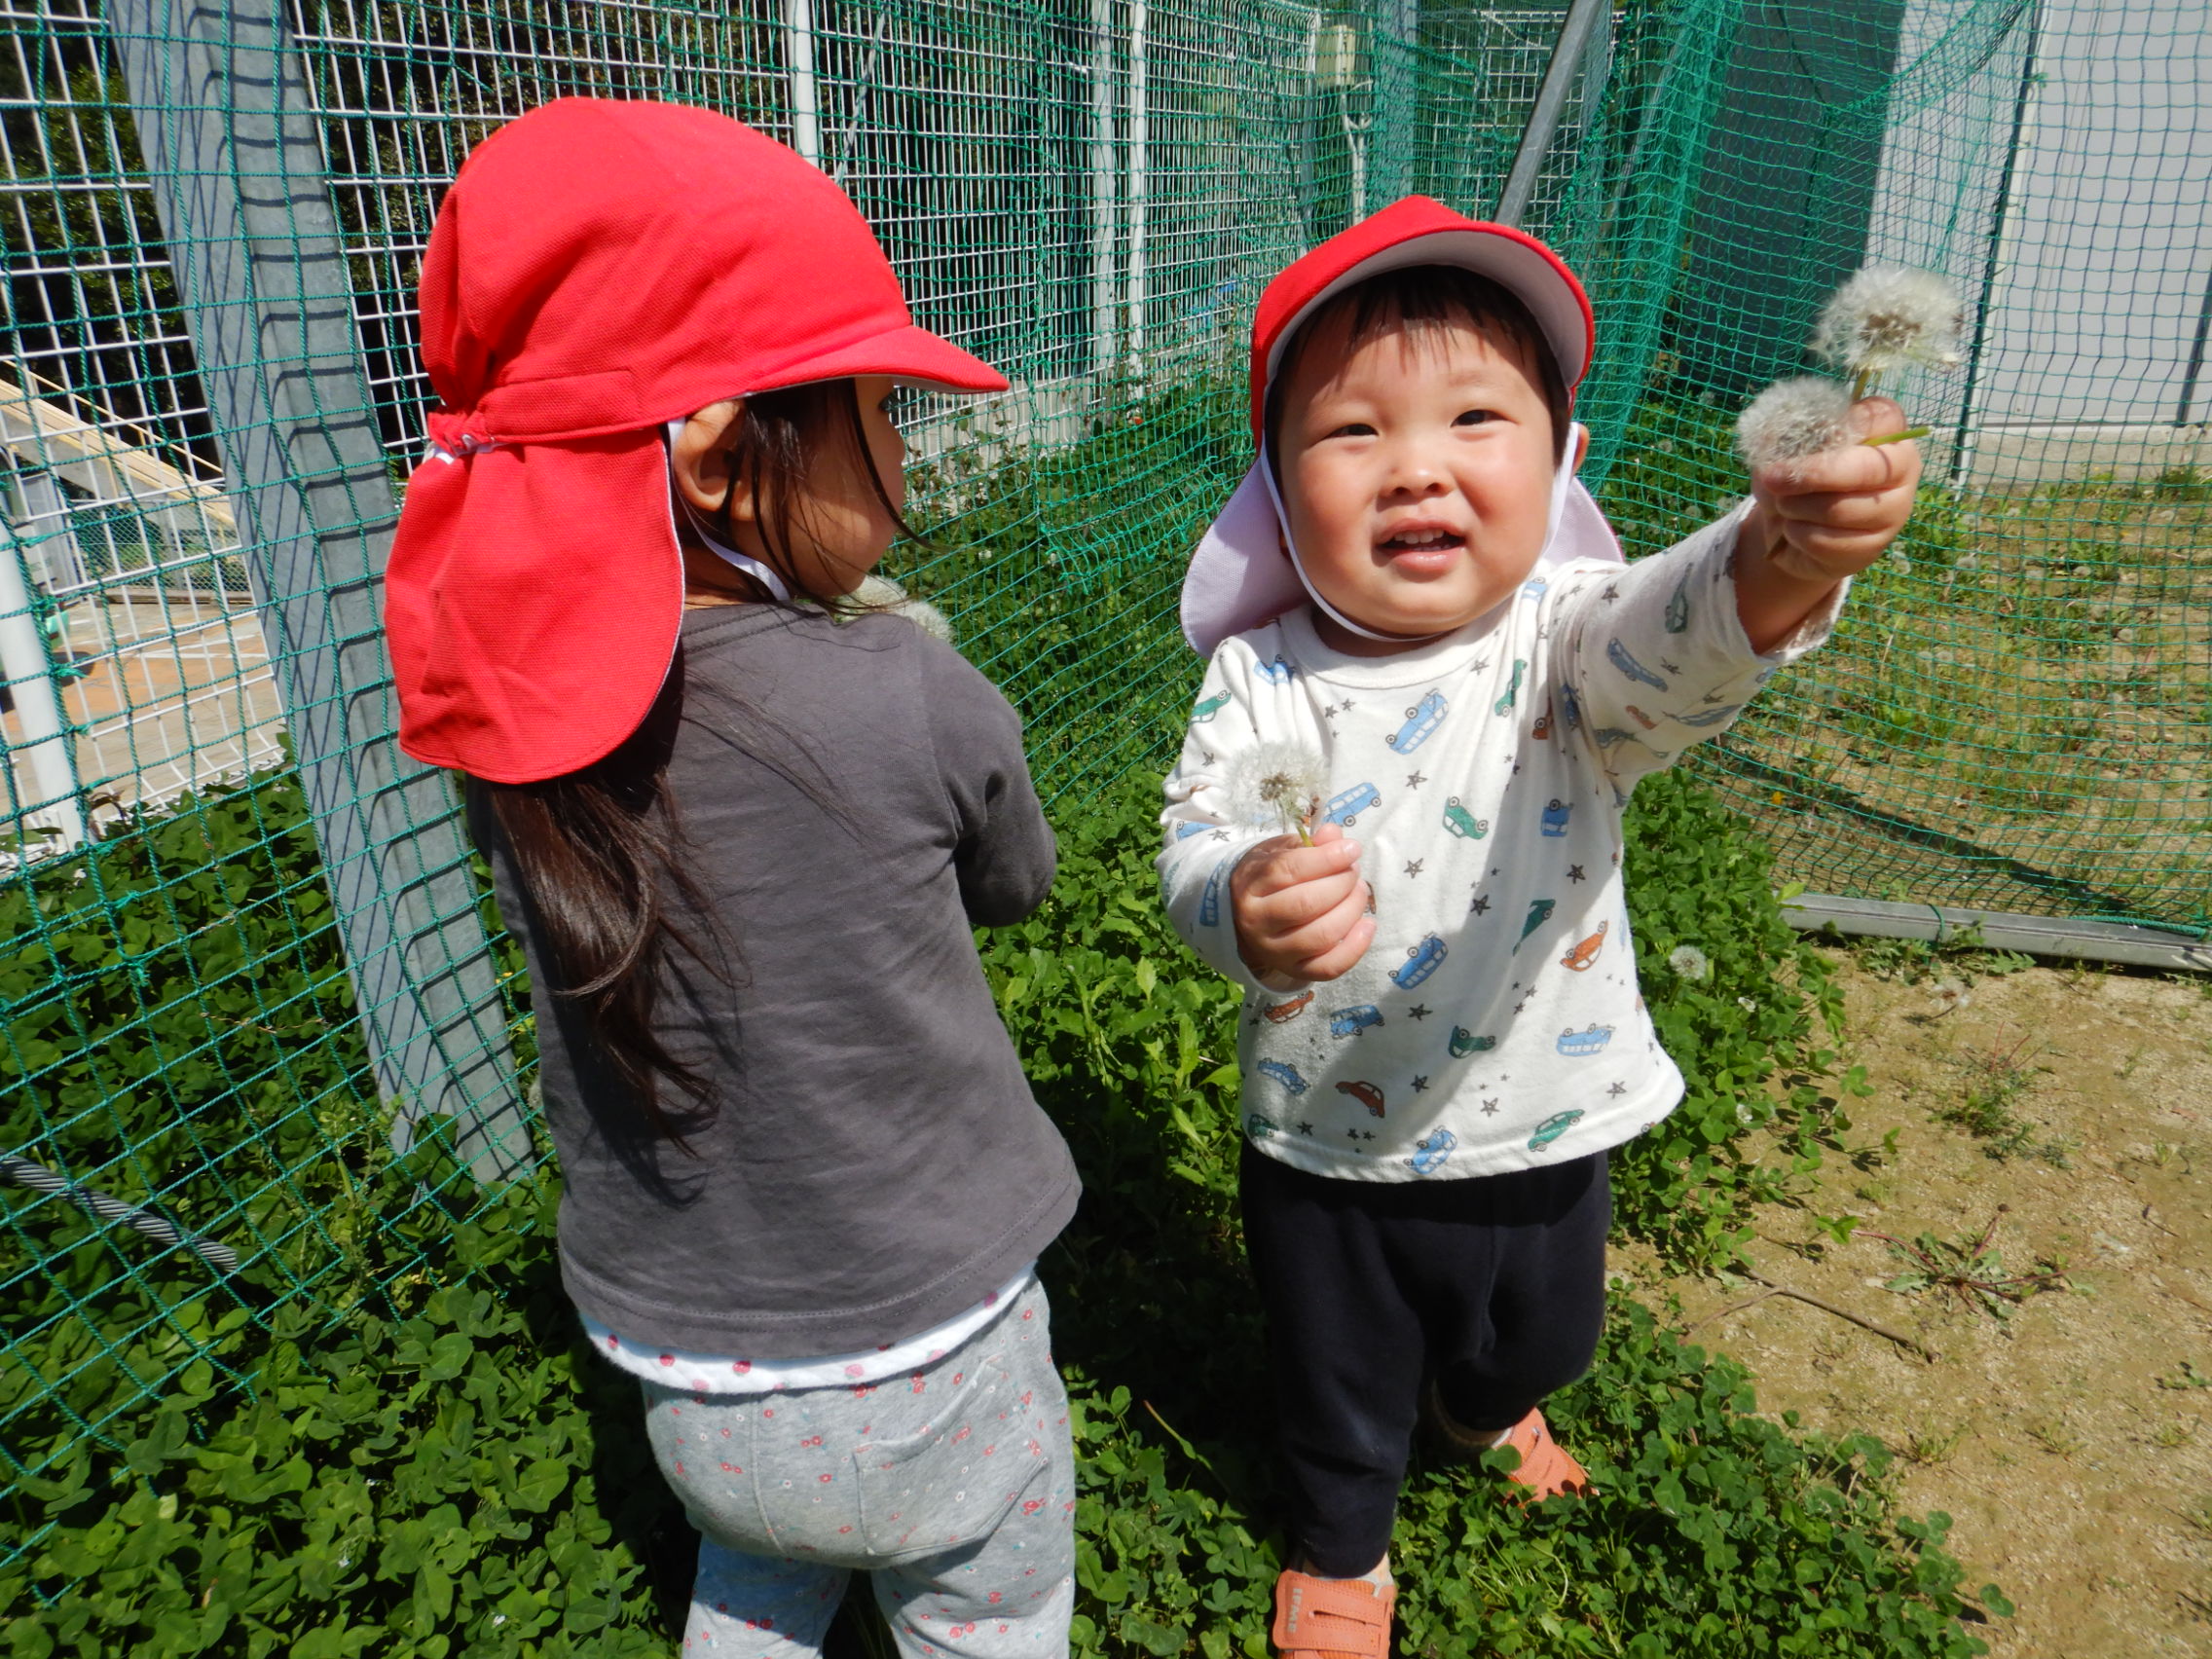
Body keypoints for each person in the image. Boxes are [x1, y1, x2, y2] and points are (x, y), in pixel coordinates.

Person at [1156, 198, 1921, 1659]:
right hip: (1329, 1135)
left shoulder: (1564, 635)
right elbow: (1195, 835)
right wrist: (1237, 898)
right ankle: (1343, 1545)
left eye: (1475, 418)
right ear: (1277, 486)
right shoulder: (1260, 674)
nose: (1417, 466)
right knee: (1339, 1375)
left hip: (1548, 1107)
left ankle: (1487, 1406)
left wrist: (1785, 550)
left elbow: (1681, 632)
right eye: (1352, 432)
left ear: (1560, 457)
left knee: (1548, 1337)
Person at [383, 98, 1082, 1659]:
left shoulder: (517, 740)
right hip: (938, 1354)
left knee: (760, 1575)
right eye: (877, 407)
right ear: (713, 454)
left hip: (689, 1378)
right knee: (996, 1596)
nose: (902, 449)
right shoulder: (909, 688)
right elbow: (1016, 882)